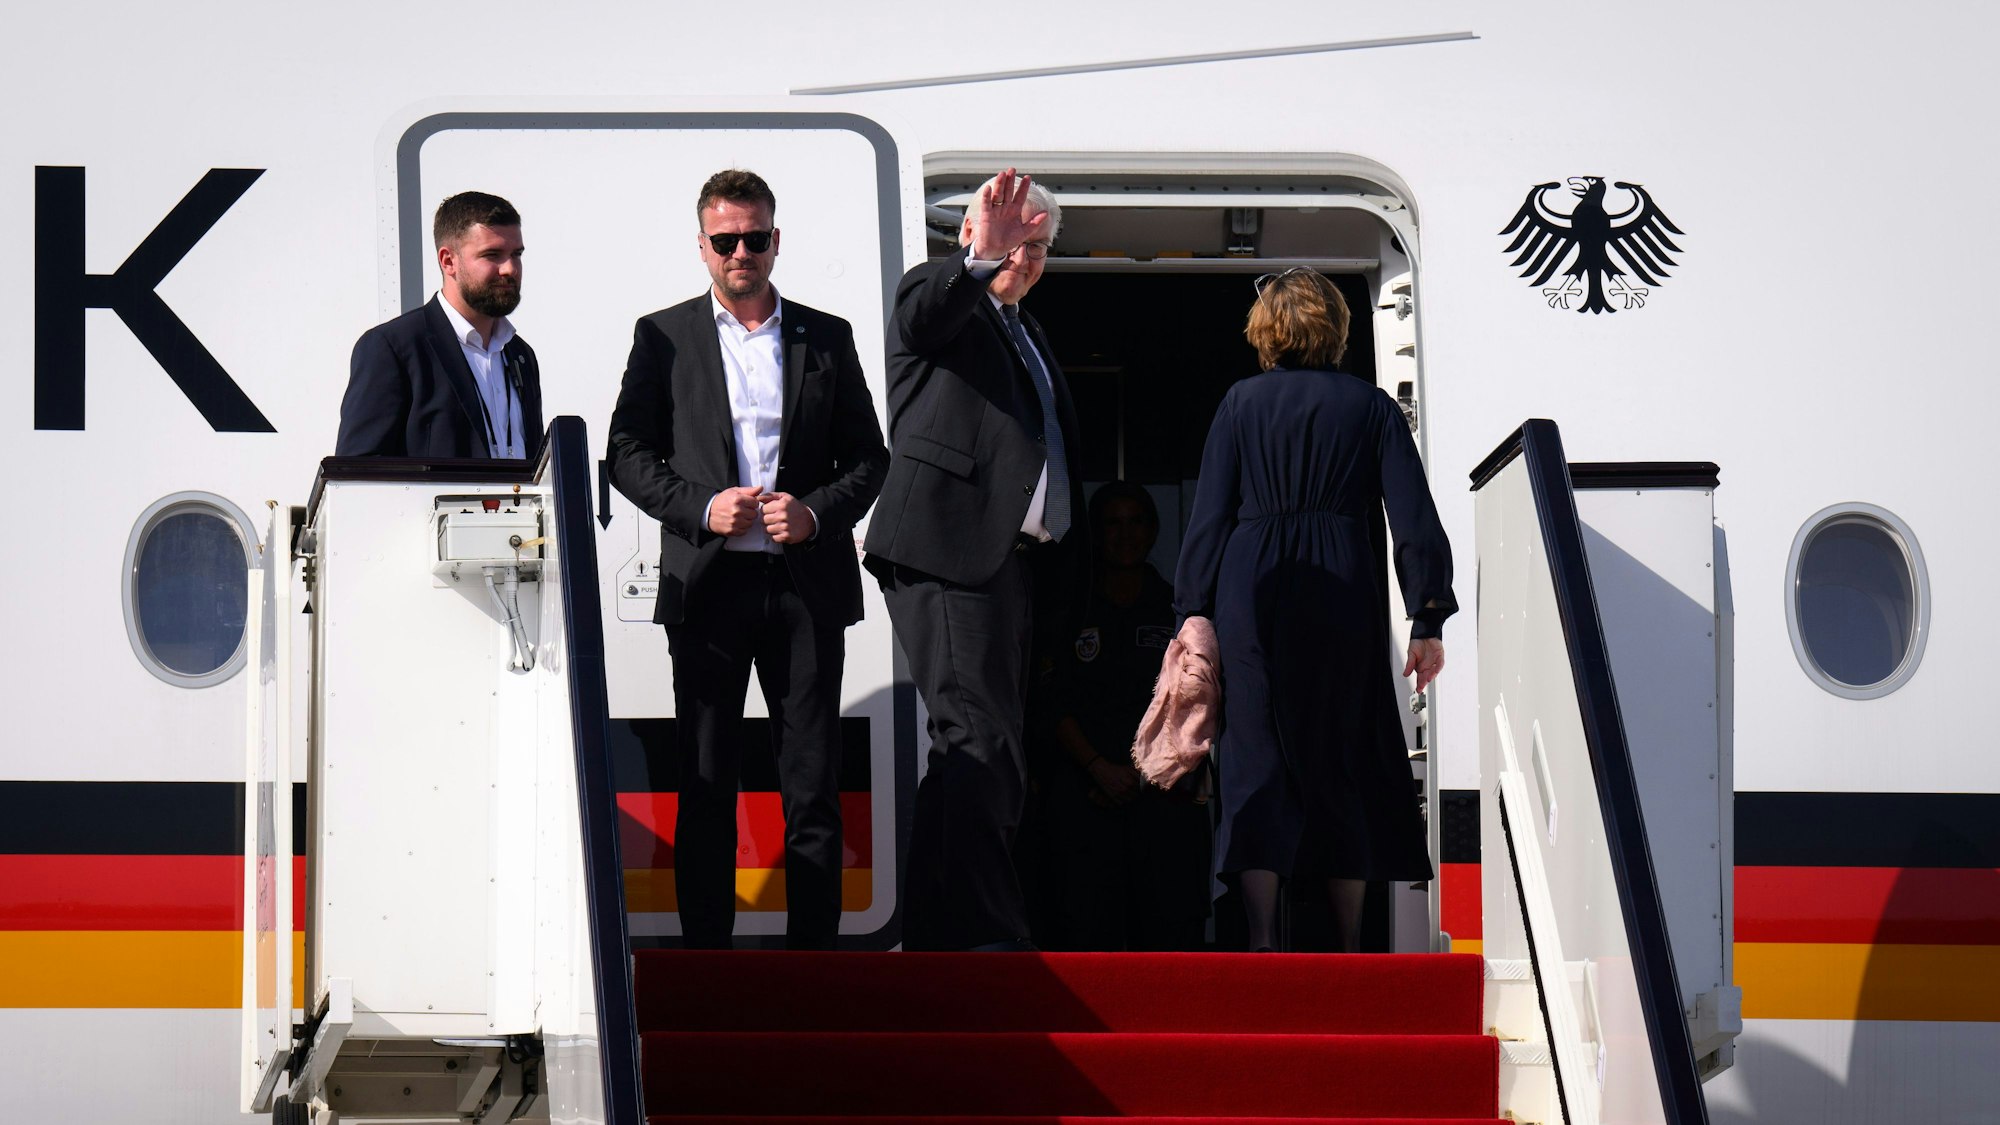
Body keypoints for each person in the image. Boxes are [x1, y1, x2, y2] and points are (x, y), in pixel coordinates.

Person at [606, 169, 888, 950]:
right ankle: (707, 967)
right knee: (704, 781)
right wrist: (700, 506)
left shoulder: (824, 335)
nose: (740, 252)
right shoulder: (662, 335)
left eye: (753, 237)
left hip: (804, 589)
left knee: (812, 787)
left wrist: (815, 512)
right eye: (724, 240)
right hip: (709, 587)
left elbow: (869, 458)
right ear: (701, 246)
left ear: (775, 241)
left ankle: (813, 969)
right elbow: (625, 453)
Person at [1173, 267, 1456, 953]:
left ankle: (1265, 937)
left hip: (1254, 584)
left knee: (1255, 753)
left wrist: (1190, 610)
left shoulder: (1239, 403)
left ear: (1265, 328)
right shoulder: (1372, 407)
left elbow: (1209, 517)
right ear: (1337, 328)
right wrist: (1426, 615)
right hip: (1339, 580)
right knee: (1341, 751)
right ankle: (1348, 939)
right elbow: (1413, 515)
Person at [863, 169, 1089, 952]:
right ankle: (989, 942)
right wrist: (977, 263)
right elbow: (925, 314)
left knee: (980, 746)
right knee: (978, 742)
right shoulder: (944, 295)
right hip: (950, 551)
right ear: (970, 235)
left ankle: (937, 935)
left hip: (1007, 565)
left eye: (1035, 246)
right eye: (1009, 241)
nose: (1021, 259)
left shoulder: (1029, 331)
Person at [1041, 482, 1211, 950]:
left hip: (1159, 793)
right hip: (1084, 789)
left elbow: (1194, 703)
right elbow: (1049, 697)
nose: (1125, 534)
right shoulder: (1069, 606)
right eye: (1112, 523)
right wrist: (1096, 767)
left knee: (1170, 928)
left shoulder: (1177, 608)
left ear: (1153, 530)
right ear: (1096, 532)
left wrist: (1140, 776)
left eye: (1135, 521)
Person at [337, 192, 542, 459]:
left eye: (516, 254)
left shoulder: (520, 355)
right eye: (492, 255)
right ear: (448, 261)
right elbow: (358, 478)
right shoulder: (393, 348)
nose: (510, 269)